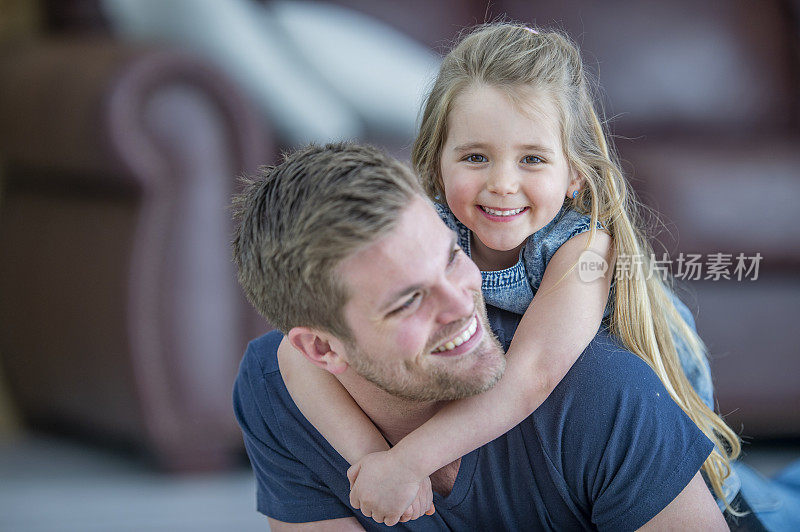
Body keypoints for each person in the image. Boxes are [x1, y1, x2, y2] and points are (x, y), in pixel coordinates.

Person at [276, 23, 740, 525]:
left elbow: (532, 374)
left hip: (655, 437)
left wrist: (409, 460)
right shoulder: (430, 229)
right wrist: (375, 463)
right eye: (476, 157)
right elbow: (295, 356)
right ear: (437, 161)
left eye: (533, 159)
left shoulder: (583, 248)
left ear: (575, 173)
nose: (501, 184)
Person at [232, 141, 726, 530]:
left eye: (451, 257)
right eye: (409, 300)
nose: (462, 302)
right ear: (321, 348)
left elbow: (534, 375)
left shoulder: (599, 393)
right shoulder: (273, 388)